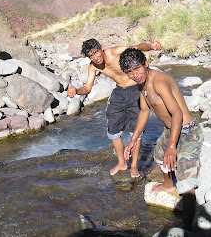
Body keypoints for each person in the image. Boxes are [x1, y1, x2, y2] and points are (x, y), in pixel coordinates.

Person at [119, 48, 203, 229]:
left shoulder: (160, 81)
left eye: (137, 69)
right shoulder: (141, 85)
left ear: (146, 64)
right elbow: (144, 111)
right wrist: (133, 140)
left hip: (188, 130)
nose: (135, 75)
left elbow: (177, 113)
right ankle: (167, 185)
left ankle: (188, 228)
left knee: (185, 180)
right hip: (169, 128)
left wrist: (172, 146)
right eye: (130, 72)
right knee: (160, 155)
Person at [67, 38, 162, 177]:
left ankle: (134, 165)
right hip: (119, 92)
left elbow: (136, 47)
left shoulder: (115, 52)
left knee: (136, 128)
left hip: (137, 89)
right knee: (113, 128)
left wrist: (151, 47)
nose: (95, 57)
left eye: (96, 52)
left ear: (101, 47)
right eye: (90, 55)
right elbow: (87, 88)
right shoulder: (93, 66)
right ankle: (122, 163)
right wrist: (76, 91)